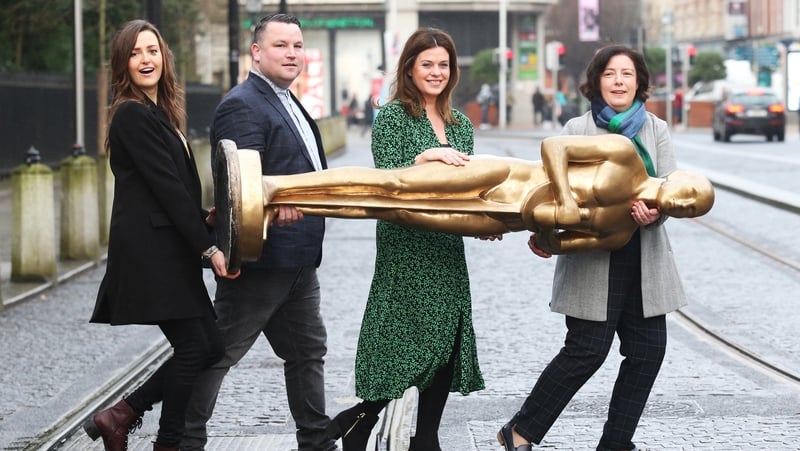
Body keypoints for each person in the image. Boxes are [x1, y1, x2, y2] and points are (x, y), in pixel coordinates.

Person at [498, 45, 690, 451]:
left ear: (639, 82)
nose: (618, 81)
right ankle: (520, 432)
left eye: (626, 74)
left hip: (644, 258)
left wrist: (656, 213)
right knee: (585, 351)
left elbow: (671, 189)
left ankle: (615, 443)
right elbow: (550, 194)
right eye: (610, 74)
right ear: (596, 81)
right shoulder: (575, 132)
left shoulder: (655, 130)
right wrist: (546, 235)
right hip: (592, 259)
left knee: (648, 352)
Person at [322, 27, 486, 451]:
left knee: (446, 342)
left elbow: (467, 189)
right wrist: (424, 156)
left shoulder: (461, 124)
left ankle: (422, 437)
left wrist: (484, 222)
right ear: (410, 69)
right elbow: (386, 181)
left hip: (447, 244)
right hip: (406, 245)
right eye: (426, 64)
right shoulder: (393, 117)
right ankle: (359, 416)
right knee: (408, 339)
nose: (436, 72)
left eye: (443, 65)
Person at [180, 14, 336, 451]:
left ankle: (316, 442)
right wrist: (271, 206)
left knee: (308, 352)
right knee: (220, 353)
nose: (292, 53)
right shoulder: (243, 103)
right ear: (257, 52)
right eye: (281, 45)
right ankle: (184, 440)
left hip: (299, 260)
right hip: (261, 259)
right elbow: (240, 186)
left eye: (298, 46)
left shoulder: (287, 99)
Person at [82, 19, 237, 451]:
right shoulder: (131, 114)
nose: (146, 59)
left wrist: (203, 220)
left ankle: (122, 414)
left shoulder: (159, 113)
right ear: (123, 64)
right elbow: (165, 189)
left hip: (168, 249)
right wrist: (208, 249)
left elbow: (172, 189)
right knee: (197, 347)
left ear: (165, 58)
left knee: (207, 346)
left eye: (152, 50)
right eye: (135, 53)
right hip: (153, 255)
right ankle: (165, 441)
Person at [249, 134, 712, 253]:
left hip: (503, 220)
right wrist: (567, 196)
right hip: (502, 177)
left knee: (393, 211)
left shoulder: (621, 234)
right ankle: (276, 184)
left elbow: (554, 247)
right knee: (395, 183)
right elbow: (555, 146)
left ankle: (285, 206)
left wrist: (551, 234)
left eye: (693, 209)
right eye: (691, 191)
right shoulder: (624, 155)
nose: (686, 202)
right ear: (678, 175)